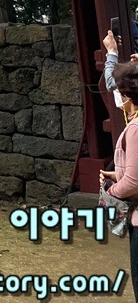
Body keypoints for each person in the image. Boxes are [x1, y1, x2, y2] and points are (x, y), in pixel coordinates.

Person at [102, 62, 138, 302]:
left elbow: (134, 183)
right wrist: (119, 175)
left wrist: (111, 190)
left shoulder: (135, 128)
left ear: (126, 95)